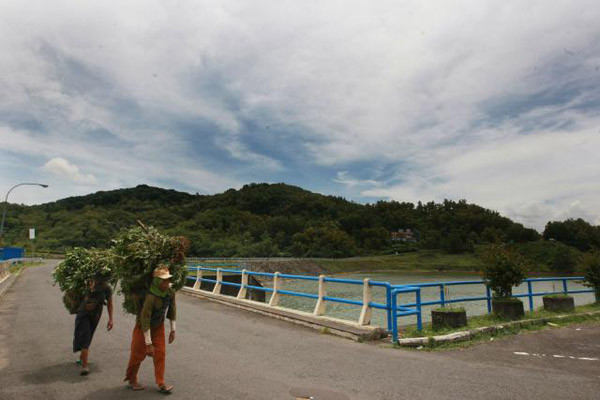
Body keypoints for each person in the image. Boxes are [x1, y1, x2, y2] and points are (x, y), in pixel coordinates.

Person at [124, 266, 177, 394]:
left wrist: (173, 330)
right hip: (143, 327)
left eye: (168, 280)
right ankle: (131, 380)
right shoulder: (151, 297)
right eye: (164, 281)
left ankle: (161, 383)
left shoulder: (170, 293)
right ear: (157, 282)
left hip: (158, 327)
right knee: (137, 354)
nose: (167, 283)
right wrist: (148, 343)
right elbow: (145, 319)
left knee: (160, 354)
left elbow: (172, 310)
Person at [73, 270, 114, 376]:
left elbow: (109, 303)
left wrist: (110, 319)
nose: (101, 281)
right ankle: (85, 366)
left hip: (96, 316)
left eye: (103, 280)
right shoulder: (87, 284)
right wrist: (91, 288)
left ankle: (82, 358)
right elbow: (78, 296)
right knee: (85, 336)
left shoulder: (107, 289)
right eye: (99, 279)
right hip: (83, 313)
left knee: (89, 336)